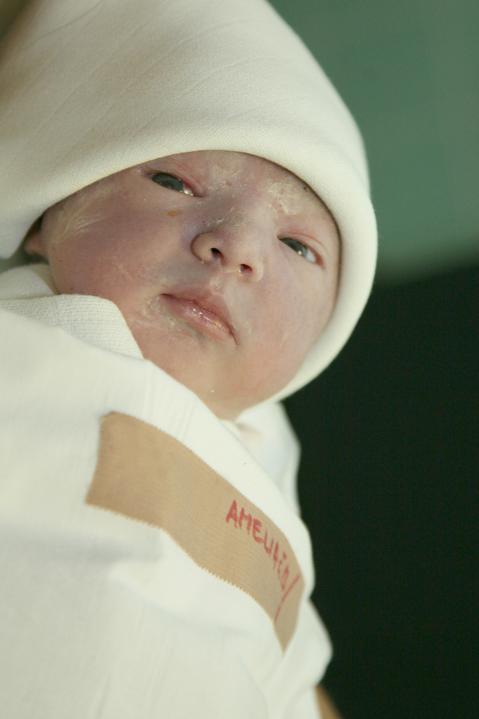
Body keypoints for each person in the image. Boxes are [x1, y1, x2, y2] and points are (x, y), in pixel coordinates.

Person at [0, 1, 377, 718]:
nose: (237, 245)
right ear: (48, 214)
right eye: (175, 184)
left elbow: (288, 678)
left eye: (298, 246)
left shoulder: (267, 465)